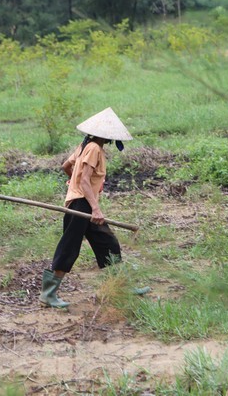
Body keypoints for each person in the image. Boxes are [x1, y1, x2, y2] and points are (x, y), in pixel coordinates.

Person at [39, 107, 148, 308]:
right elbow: (86, 182)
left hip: (80, 201)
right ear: (107, 136)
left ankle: (121, 285)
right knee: (69, 247)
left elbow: (66, 166)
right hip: (82, 204)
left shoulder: (84, 146)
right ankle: (49, 294)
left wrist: (73, 182)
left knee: (107, 242)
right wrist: (95, 208)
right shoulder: (94, 149)